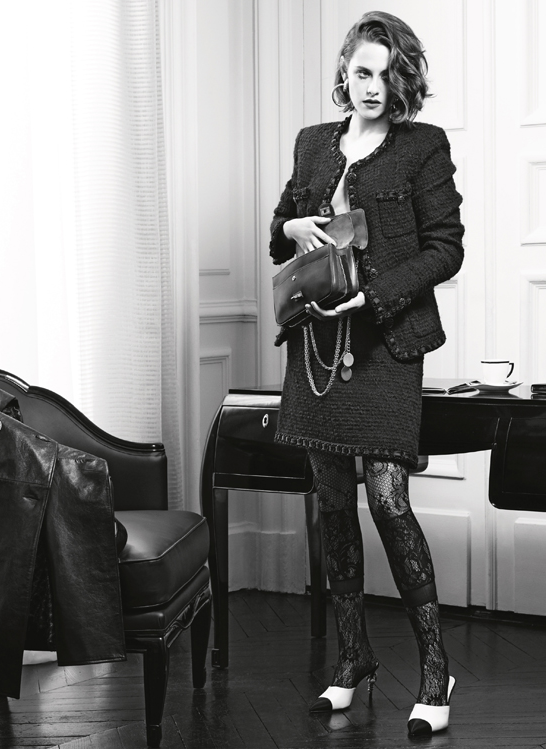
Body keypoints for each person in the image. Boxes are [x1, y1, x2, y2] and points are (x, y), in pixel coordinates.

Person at [269, 11, 463, 737]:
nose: (373, 86)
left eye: (387, 74)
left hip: (385, 344)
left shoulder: (423, 146)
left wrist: (373, 291)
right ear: (344, 72)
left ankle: (436, 668)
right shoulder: (312, 143)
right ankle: (353, 658)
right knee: (331, 503)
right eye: (362, 72)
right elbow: (281, 231)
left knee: (386, 500)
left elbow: (446, 248)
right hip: (317, 350)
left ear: (402, 80)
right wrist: (291, 227)